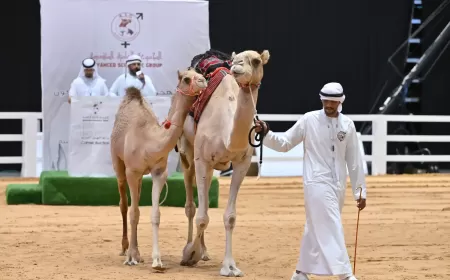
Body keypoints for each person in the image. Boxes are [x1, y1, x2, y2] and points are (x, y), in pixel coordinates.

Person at [255, 82, 367, 280]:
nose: (328, 104)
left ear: (340, 101)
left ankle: (301, 273)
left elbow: (355, 161)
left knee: (316, 226)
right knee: (331, 224)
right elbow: (285, 143)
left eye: (332, 101)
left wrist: (360, 191)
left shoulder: (347, 124)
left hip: (338, 185)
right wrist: (266, 133)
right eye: (325, 100)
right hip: (316, 182)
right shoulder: (309, 120)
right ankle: (345, 274)